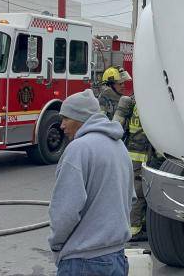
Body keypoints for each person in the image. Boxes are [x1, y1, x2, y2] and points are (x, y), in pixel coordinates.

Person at [49, 89, 135, 276]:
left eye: (66, 118)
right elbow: (130, 199)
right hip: (116, 257)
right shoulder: (119, 146)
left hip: (83, 261)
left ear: (80, 118)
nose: (62, 125)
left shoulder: (78, 149)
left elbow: (65, 211)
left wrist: (56, 245)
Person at [125, 105, 154, 242]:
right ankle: (134, 230)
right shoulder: (150, 104)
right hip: (142, 154)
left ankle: (139, 223)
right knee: (139, 193)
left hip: (133, 151)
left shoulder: (136, 102)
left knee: (136, 190)